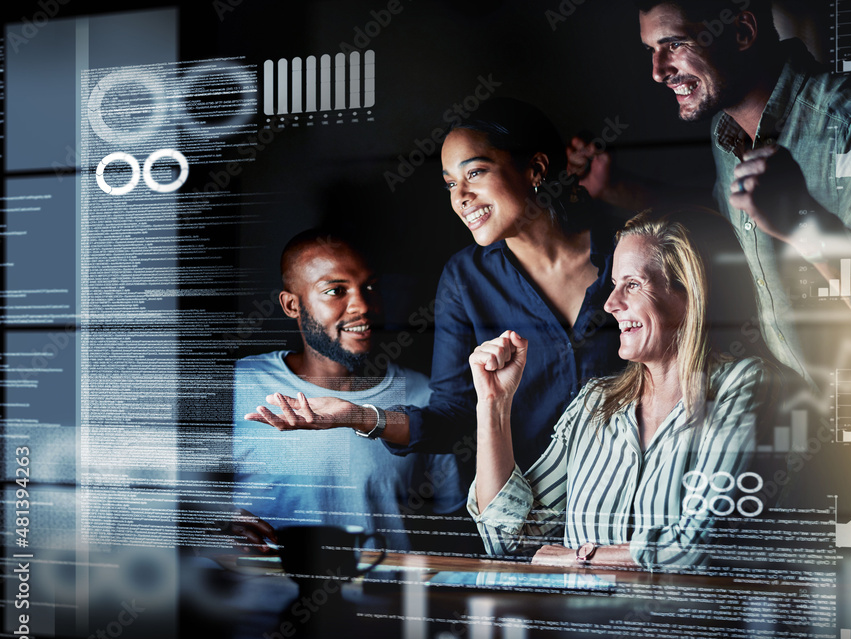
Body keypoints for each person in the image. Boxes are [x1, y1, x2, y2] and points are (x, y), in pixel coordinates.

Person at [247, 99, 624, 475]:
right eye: (449, 184)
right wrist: (360, 416)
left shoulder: (625, 250)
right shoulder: (464, 279)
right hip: (534, 516)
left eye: (474, 173)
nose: (460, 197)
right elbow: (454, 417)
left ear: (535, 168)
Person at [573, 1, 851, 386]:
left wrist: (803, 223)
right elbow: (728, 222)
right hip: (808, 407)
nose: (658, 71)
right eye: (652, 50)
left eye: (675, 44)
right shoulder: (726, 130)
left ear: (742, 33)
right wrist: (618, 190)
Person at [466, 212, 781, 570]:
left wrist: (578, 558)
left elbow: (694, 548)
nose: (610, 303)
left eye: (632, 284)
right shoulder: (594, 403)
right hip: (580, 626)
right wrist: (493, 404)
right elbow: (509, 539)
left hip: (678, 626)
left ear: (687, 293)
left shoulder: (742, 384)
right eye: (615, 284)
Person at [230, 227, 465, 554]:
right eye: (335, 290)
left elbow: (448, 522)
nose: (362, 306)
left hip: (382, 600)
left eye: (370, 287)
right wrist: (211, 517)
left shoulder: (424, 396)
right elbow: (162, 487)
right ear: (291, 305)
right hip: (263, 600)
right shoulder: (238, 384)